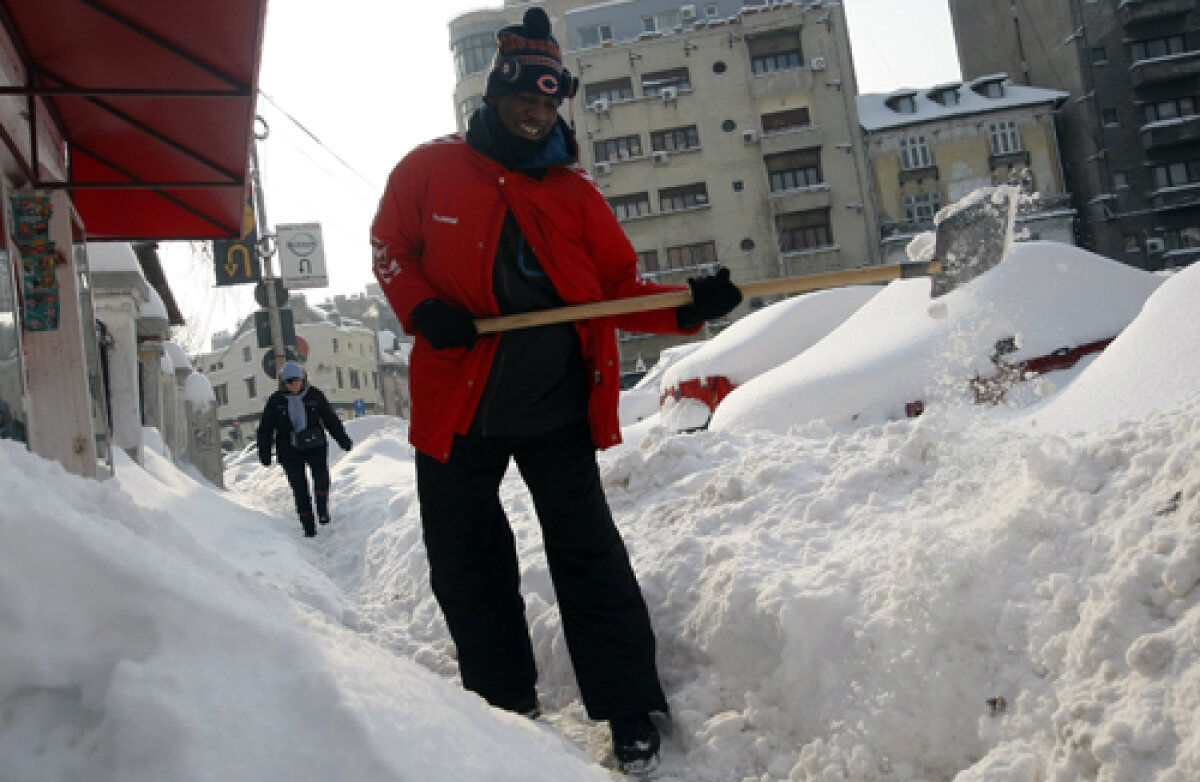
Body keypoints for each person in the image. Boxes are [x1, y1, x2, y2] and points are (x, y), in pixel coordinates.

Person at [369, 7, 741, 773]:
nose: (535, 115)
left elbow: (618, 290)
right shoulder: (428, 170)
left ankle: (629, 706)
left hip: (556, 406)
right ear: (496, 96)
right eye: (522, 100)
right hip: (457, 405)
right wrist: (424, 307)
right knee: (466, 563)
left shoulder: (575, 194)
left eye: (547, 104)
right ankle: (503, 704)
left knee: (589, 555)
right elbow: (389, 246)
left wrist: (688, 306)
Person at [257, 361, 353, 537]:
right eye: (289, 382)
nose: (294, 386)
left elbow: (330, 419)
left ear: (303, 380)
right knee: (299, 487)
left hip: (315, 444)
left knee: (321, 477)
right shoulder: (276, 401)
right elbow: (266, 428)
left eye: (297, 381)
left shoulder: (314, 395)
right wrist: (265, 453)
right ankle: (308, 526)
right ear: (283, 383)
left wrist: (343, 440)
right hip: (289, 449)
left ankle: (322, 510)